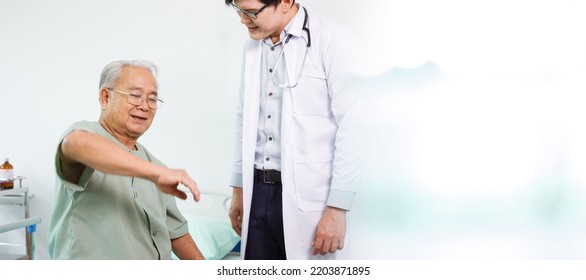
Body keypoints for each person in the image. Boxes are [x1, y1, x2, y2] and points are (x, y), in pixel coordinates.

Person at [225, 0, 364, 259]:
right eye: (238, 10)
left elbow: (355, 127)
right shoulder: (252, 47)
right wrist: (238, 189)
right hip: (257, 190)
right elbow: (244, 119)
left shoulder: (334, 41)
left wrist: (337, 208)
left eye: (252, 12)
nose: (244, 20)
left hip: (310, 196)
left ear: (286, 2)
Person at [48, 60, 205, 260]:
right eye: (135, 95)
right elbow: (74, 144)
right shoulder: (85, 134)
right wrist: (156, 174)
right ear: (105, 98)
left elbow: (176, 232)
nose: (145, 106)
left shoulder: (156, 165)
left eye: (152, 99)